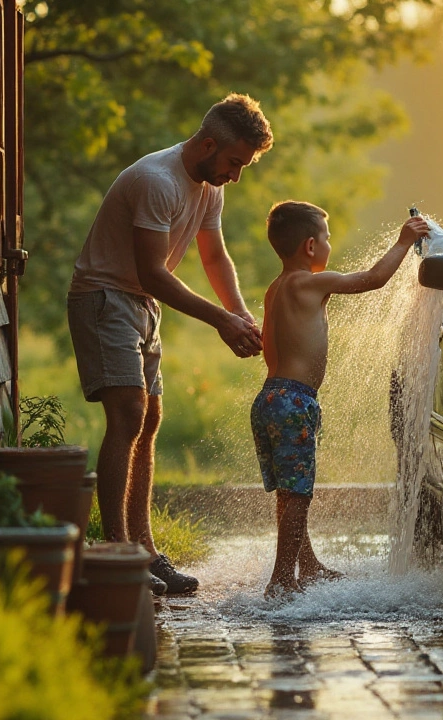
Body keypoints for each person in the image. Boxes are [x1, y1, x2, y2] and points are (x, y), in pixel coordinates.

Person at [66, 93, 273, 595]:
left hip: (140, 304)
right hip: (104, 297)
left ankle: (145, 550)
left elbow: (215, 257)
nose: (236, 175)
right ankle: (118, 555)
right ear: (206, 144)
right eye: (233, 162)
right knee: (128, 415)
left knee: (150, 418)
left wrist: (241, 312)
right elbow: (154, 274)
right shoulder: (157, 181)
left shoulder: (209, 187)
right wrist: (221, 321)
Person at [252, 201, 430, 598]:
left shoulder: (275, 288)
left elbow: (268, 343)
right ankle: (282, 580)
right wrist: (404, 240)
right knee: (298, 492)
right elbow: (372, 279)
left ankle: (307, 565)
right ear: (311, 246)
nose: (331, 245)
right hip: (294, 401)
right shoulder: (307, 282)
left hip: (269, 398)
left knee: (289, 488)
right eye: (328, 238)